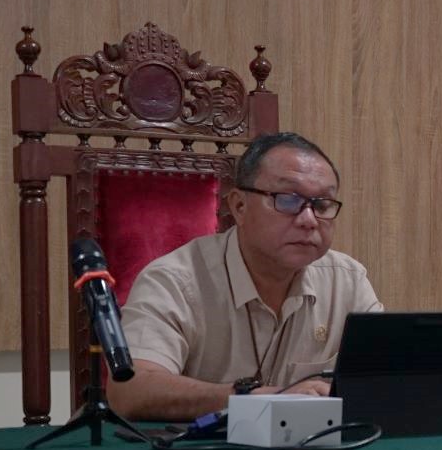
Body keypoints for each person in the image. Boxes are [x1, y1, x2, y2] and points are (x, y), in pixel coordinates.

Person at [108, 131, 382, 421]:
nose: (309, 220)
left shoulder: (347, 281)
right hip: (198, 447)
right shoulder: (175, 281)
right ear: (239, 206)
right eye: (288, 199)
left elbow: (388, 378)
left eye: (322, 204)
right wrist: (250, 399)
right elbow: (130, 390)